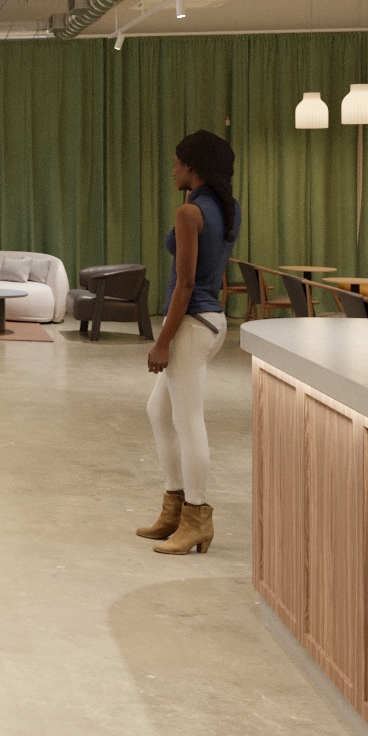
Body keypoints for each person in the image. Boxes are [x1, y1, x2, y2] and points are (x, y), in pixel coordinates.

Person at [138, 130, 240, 557]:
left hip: (190, 324)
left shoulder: (189, 214)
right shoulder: (223, 209)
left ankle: (197, 516)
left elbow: (183, 284)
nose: (173, 168)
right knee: (158, 410)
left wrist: (163, 340)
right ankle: (174, 507)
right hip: (211, 318)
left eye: (178, 162)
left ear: (193, 167)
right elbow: (211, 273)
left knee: (188, 420)